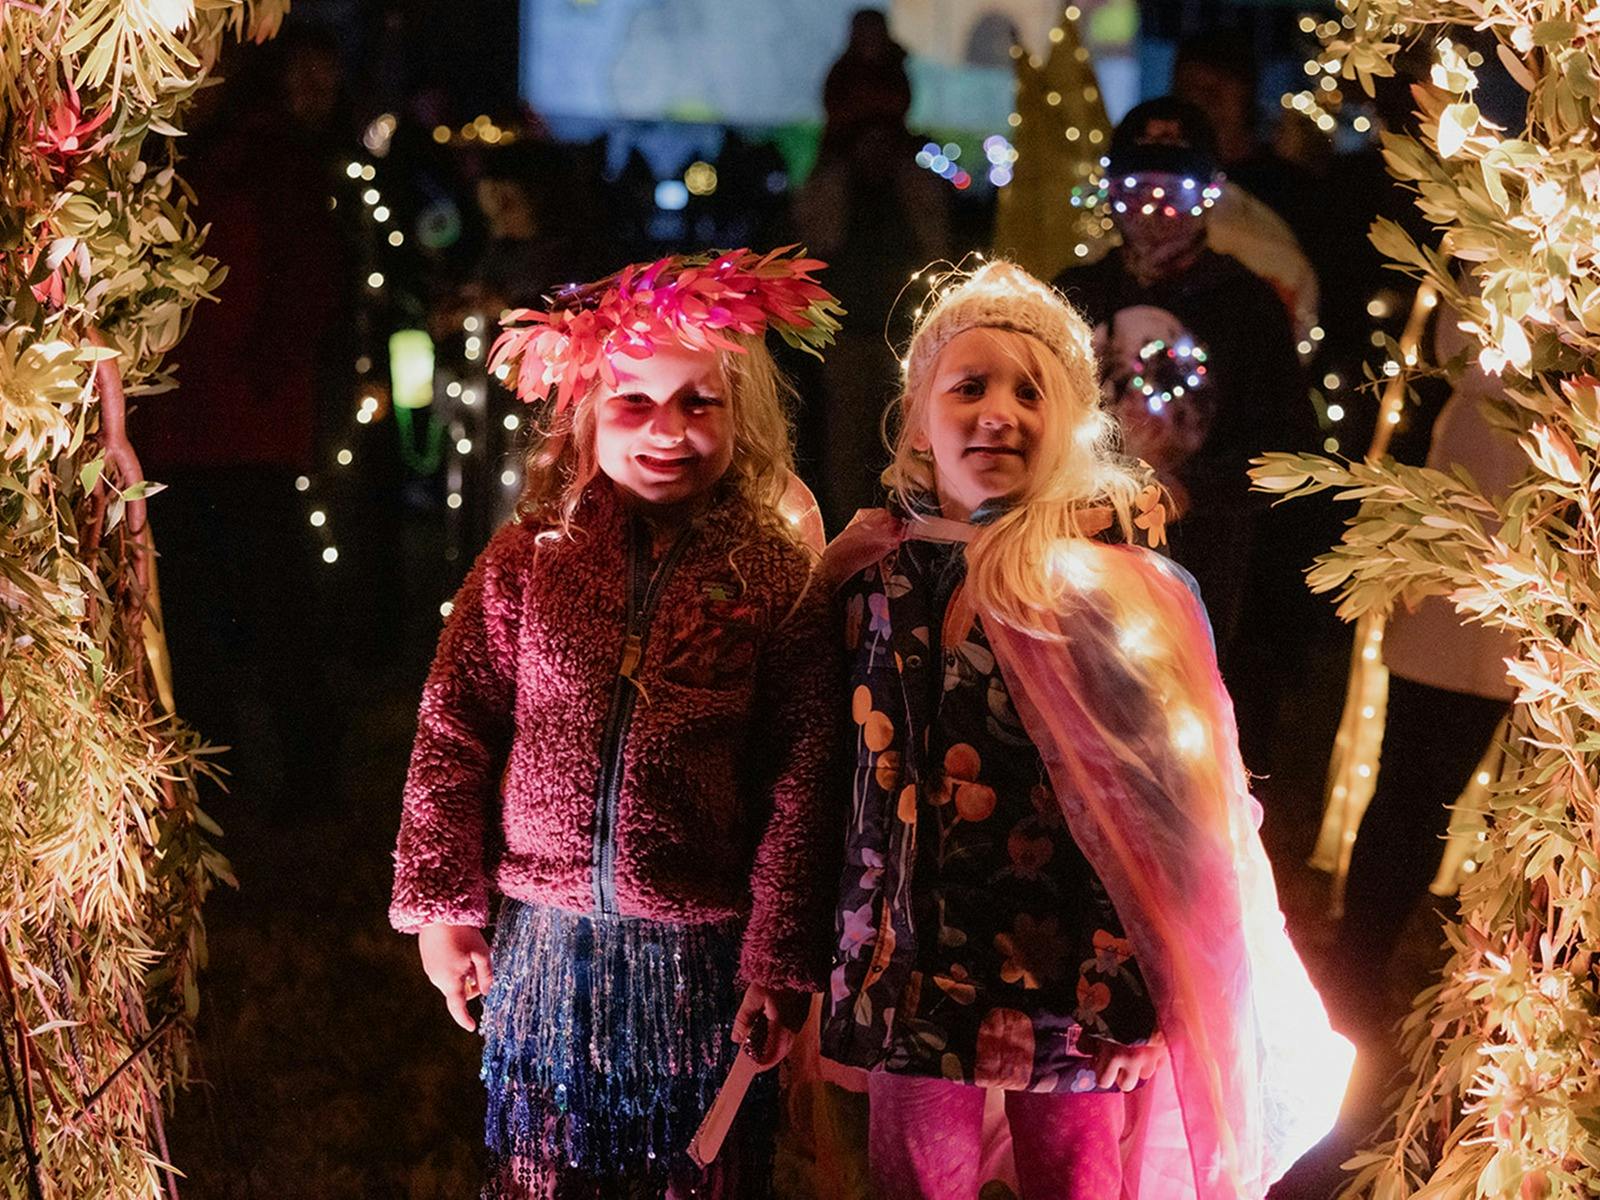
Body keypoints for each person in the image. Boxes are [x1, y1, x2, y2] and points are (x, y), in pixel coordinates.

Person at [816, 261, 1352, 1199]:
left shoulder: (1101, 591)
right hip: (904, 981)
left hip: (1071, 991)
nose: (999, 412)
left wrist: (1130, 993)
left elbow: (1162, 812)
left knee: (1074, 1180)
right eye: (968, 385)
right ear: (916, 417)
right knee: (911, 1181)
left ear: (1070, 422)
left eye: (1032, 392)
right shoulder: (873, 578)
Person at [389, 248, 844, 1198]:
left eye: (699, 404)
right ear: (587, 412)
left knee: (696, 1174)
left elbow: (804, 776)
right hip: (545, 951)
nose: (666, 432)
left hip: (701, 968)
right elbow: (455, 726)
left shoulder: (772, 578)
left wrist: (779, 957)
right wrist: (444, 907)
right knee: (545, 1173)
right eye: (634, 403)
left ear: (743, 415)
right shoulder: (526, 564)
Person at [1053, 98, 1316, 758]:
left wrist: (1194, 486)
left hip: (1205, 568)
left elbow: (1287, 446)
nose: (1154, 209)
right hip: (1082, 551)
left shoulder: (1246, 303)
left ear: (1210, 198)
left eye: (1175, 192)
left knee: (1185, 741)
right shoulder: (1076, 293)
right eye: (1137, 189)